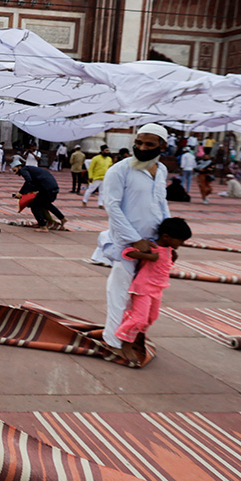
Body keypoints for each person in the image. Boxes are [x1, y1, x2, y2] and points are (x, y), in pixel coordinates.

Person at [95, 123, 171, 355]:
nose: (141, 147)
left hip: (153, 245)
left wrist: (167, 240)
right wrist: (134, 239)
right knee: (119, 294)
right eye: (138, 142)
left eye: (149, 144)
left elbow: (161, 204)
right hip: (127, 244)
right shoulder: (120, 170)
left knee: (143, 295)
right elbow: (113, 207)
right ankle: (113, 342)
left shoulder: (162, 170)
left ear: (162, 146)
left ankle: (130, 334)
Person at [114, 217, 192, 363]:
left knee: (151, 317)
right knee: (140, 318)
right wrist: (147, 256)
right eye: (180, 241)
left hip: (158, 289)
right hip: (143, 288)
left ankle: (137, 338)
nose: (182, 244)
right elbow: (127, 252)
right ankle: (126, 344)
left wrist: (172, 259)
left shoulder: (170, 250)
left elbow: (163, 267)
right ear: (166, 237)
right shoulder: (152, 246)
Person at [10, 155, 67, 232]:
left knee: (35, 206)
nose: (15, 173)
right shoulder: (30, 169)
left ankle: (43, 226)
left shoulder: (24, 169)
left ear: (19, 167)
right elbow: (33, 184)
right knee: (46, 204)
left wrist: (20, 193)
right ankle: (62, 218)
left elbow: (28, 181)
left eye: (15, 170)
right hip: (51, 187)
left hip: (47, 189)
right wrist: (23, 194)